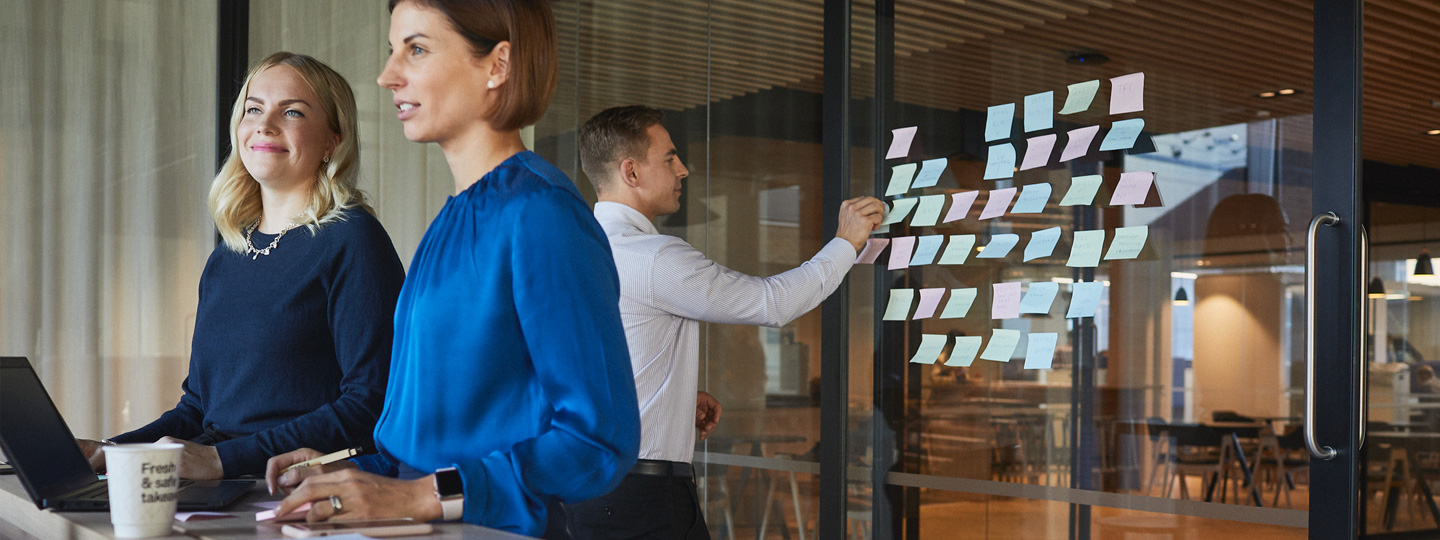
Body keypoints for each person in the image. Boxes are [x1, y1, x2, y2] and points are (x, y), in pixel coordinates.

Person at [264, 1, 640, 537]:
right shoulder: (451, 220)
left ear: (497, 66)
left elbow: (599, 440)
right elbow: (430, 447)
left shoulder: (542, 214)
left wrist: (420, 493)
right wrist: (352, 472)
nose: (388, 75)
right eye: (392, 51)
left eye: (416, 49)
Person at [76, 52, 406, 479]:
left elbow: (371, 404)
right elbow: (196, 410)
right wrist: (112, 451)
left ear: (331, 141)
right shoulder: (226, 257)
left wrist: (221, 460)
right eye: (254, 109)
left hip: (289, 487)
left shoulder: (352, 239)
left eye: (292, 111)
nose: (265, 125)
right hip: (218, 482)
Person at [566, 105, 884, 540]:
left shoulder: (573, 253)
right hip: (641, 497)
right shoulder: (655, 257)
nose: (684, 169)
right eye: (669, 158)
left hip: (583, 489)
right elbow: (771, 303)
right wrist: (845, 243)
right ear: (631, 172)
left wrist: (669, 397)